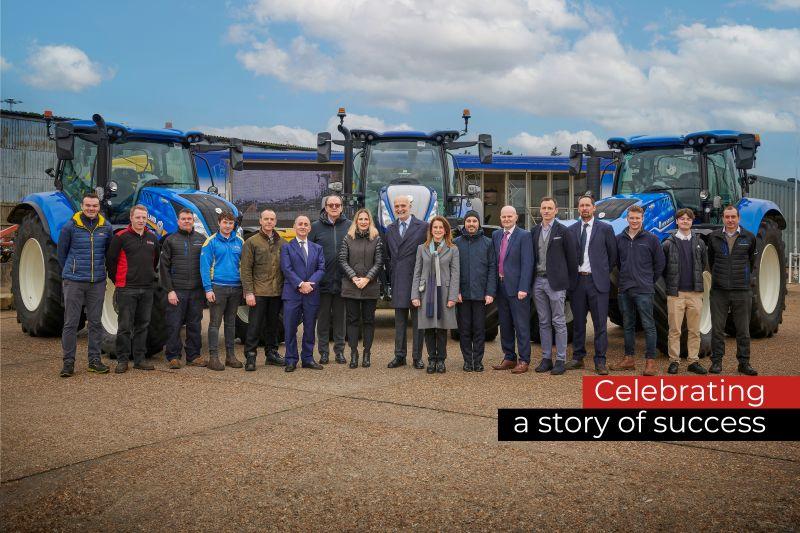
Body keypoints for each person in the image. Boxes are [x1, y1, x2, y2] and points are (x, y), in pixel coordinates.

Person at [57, 192, 113, 377]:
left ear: (99, 207)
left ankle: (94, 361)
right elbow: (62, 254)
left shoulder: (106, 227)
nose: (91, 209)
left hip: (96, 282)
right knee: (71, 323)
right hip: (74, 281)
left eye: (95, 206)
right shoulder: (70, 227)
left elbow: (107, 252)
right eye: (88, 205)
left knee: (95, 323)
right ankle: (68, 362)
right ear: (82, 206)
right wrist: (70, 272)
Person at [565, 195, 617, 375]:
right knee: (578, 323)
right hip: (578, 282)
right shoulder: (571, 230)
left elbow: (612, 256)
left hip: (598, 282)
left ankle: (600, 361)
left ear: (594, 208)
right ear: (578, 209)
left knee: (600, 324)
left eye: (588, 205)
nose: (585, 208)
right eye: (581, 206)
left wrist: (601, 272)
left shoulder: (605, 229)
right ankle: (578, 357)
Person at [611, 205, 665, 376]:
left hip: (644, 290)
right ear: (627, 219)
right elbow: (618, 263)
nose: (634, 221)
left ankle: (650, 362)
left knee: (649, 326)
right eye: (632, 218)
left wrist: (648, 280)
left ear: (643, 219)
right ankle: (629, 359)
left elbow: (660, 264)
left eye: (638, 218)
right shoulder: (619, 239)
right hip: (625, 289)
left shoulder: (652, 239)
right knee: (628, 325)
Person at [106, 204, 160, 373]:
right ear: (131, 218)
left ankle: (139, 359)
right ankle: (122, 360)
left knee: (143, 326)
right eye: (138, 217)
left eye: (144, 218)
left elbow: (155, 259)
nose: (141, 221)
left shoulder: (152, 238)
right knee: (124, 327)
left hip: (147, 289)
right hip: (127, 289)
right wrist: (119, 281)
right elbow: (111, 262)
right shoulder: (121, 237)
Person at [707, 205, 759, 376]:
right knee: (717, 329)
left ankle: (744, 363)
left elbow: (751, 261)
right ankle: (716, 363)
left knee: (743, 330)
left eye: (733, 217)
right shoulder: (714, 237)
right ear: (722, 218)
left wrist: (744, 279)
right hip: (719, 291)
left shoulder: (749, 237)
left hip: (742, 290)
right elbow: (711, 260)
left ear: (739, 218)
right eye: (727, 217)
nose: (730, 220)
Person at [531, 197, 578, 376]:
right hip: (538, 282)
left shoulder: (563, 232)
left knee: (558, 321)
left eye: (550, 208)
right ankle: (545, 359)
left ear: (556, 210)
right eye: (544, 208)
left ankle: (560, 359)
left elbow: (572, 260)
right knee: (543, 322)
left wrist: (569, 284)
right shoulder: (534, 231)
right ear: (540, 210)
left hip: (556, 283)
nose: (546, 211)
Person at [662, 208, 709, 375]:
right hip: (676, 294)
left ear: (692, 222)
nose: (685, 221)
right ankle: (674, 361)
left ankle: (693, 361)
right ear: (677, 221)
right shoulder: (668, 244)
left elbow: (703, 264)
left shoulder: (699, 243)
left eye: (688, 219)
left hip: (695, 293)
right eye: (681, 219)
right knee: (674, 330)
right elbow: (663, 269)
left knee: (694, 330)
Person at [411, 216, 460, 373]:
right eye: (435, 227)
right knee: (428, 327)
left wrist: (453, 296)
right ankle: (431, 359)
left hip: (443, 292)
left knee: (441, 328)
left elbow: (455, 274)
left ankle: (441, 360)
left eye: (441, 227)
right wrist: (415, 296)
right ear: (431, 230)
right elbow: (417, 273)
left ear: (446, 230)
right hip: (426, 292)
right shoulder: (422, 248)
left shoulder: (453, 249)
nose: (438, 230)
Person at [384, 195, 428, 369]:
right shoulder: (390, 229)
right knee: (400, 321)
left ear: (410, 206)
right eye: (397, 206)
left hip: (417, 280)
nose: (400, 209)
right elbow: (387, 256)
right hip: (398, 279)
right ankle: (399, 356)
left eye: (403, 205)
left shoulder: (423, 227)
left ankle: (417, 357)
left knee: (418, 322)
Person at [240, 209, 286, 371]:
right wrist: (249, 292)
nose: (269, 222)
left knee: (273, 326)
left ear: (275, 222)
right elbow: (245, 269)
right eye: (266, 219)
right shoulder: (251, 242)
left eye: (272, 219)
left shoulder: (282, 243)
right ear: (260, 221)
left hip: (276, 292)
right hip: (258, 292)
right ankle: (250, 356)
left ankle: (272, 354)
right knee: (254, 325)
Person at [160, 208, 206, 369]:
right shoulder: (170, 240)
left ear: (193, 221)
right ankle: (173, 356)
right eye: (183, 219)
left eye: (189, 219)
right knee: (174, 324)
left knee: (195, 324)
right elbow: (163, 268)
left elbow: (206, 266)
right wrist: (169, 290)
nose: (187, 221)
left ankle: (194, 356)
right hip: (177, 291)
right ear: (178, 221)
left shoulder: (201, 239)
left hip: (196, 290)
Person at [338, 208, 384, 368]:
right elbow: (343, 260)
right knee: (352, 320)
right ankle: (353, 353)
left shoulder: (376, 239)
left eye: (366, 219)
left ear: (370, 221)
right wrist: (354, 277)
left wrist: (367, 279)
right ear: (356, 221)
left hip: (370, 286)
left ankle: (366, 353)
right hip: (351, 285)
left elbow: (379, 262)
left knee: (369, 321)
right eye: (360, 219)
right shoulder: (348, 238)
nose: (363, 222)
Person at [491, 206, 534, 374]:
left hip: (518, 289)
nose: (507, 219)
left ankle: (524, 360)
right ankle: (509, 357)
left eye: (510, 216)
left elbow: (527, 263)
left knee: (521, 325)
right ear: (500, 218)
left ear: (516, 217)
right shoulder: (496, 235)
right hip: (501, 287)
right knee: (505, 324)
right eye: (504, 216)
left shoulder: (524, 236)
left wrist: (524, 287)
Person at [281, 215, 326, 372]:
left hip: (311, 294)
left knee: (309, 327)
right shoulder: (287, 247)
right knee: (290, 328)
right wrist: (300, 284)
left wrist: (310, 285)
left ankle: (308, 358)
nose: (303, 226)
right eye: (300, 224)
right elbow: (286, 269)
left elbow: (321, 269)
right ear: (294, 227)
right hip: (292, 293)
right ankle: (291, 359)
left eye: (306, 224)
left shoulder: (317, 248)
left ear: (309, 228)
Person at [200, 211, 244, 371]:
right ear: (219, 223)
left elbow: (243, 266)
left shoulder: (240, 242)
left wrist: (244, 287)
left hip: (236, 288)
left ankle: (230, 357)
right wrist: (208, 289)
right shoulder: (210, 242)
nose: (227, 226)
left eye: (230, 223)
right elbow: (204, 267)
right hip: (217, 288)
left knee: (231, 324)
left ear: (234, 225)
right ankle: (213, 358)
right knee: (214, 324)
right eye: (225, 222)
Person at [454, 210, 496, 372]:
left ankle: (477, 361)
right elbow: (452, 269)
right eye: (468, 221)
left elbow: (493, 268)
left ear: (479, 224)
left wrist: (490, 292)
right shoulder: (456, 243)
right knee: (464, 330)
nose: (471, 224)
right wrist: (455, 291)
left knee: (479, 329)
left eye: (474, 221)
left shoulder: (488, 243)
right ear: (464, 223)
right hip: (462, 295)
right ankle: (467, 360)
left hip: (481, 294)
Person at [309, 195, 349, 364]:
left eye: (337, 205)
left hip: (343, 280)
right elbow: (309, 253)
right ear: (325, 207)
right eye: (330, 205)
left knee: (341, 319)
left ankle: (339, 351)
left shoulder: (349, 226)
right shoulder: (315, 227)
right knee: (323, 319)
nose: (334, 207)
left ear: (342, 207)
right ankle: (323, 352)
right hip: (322, 281)